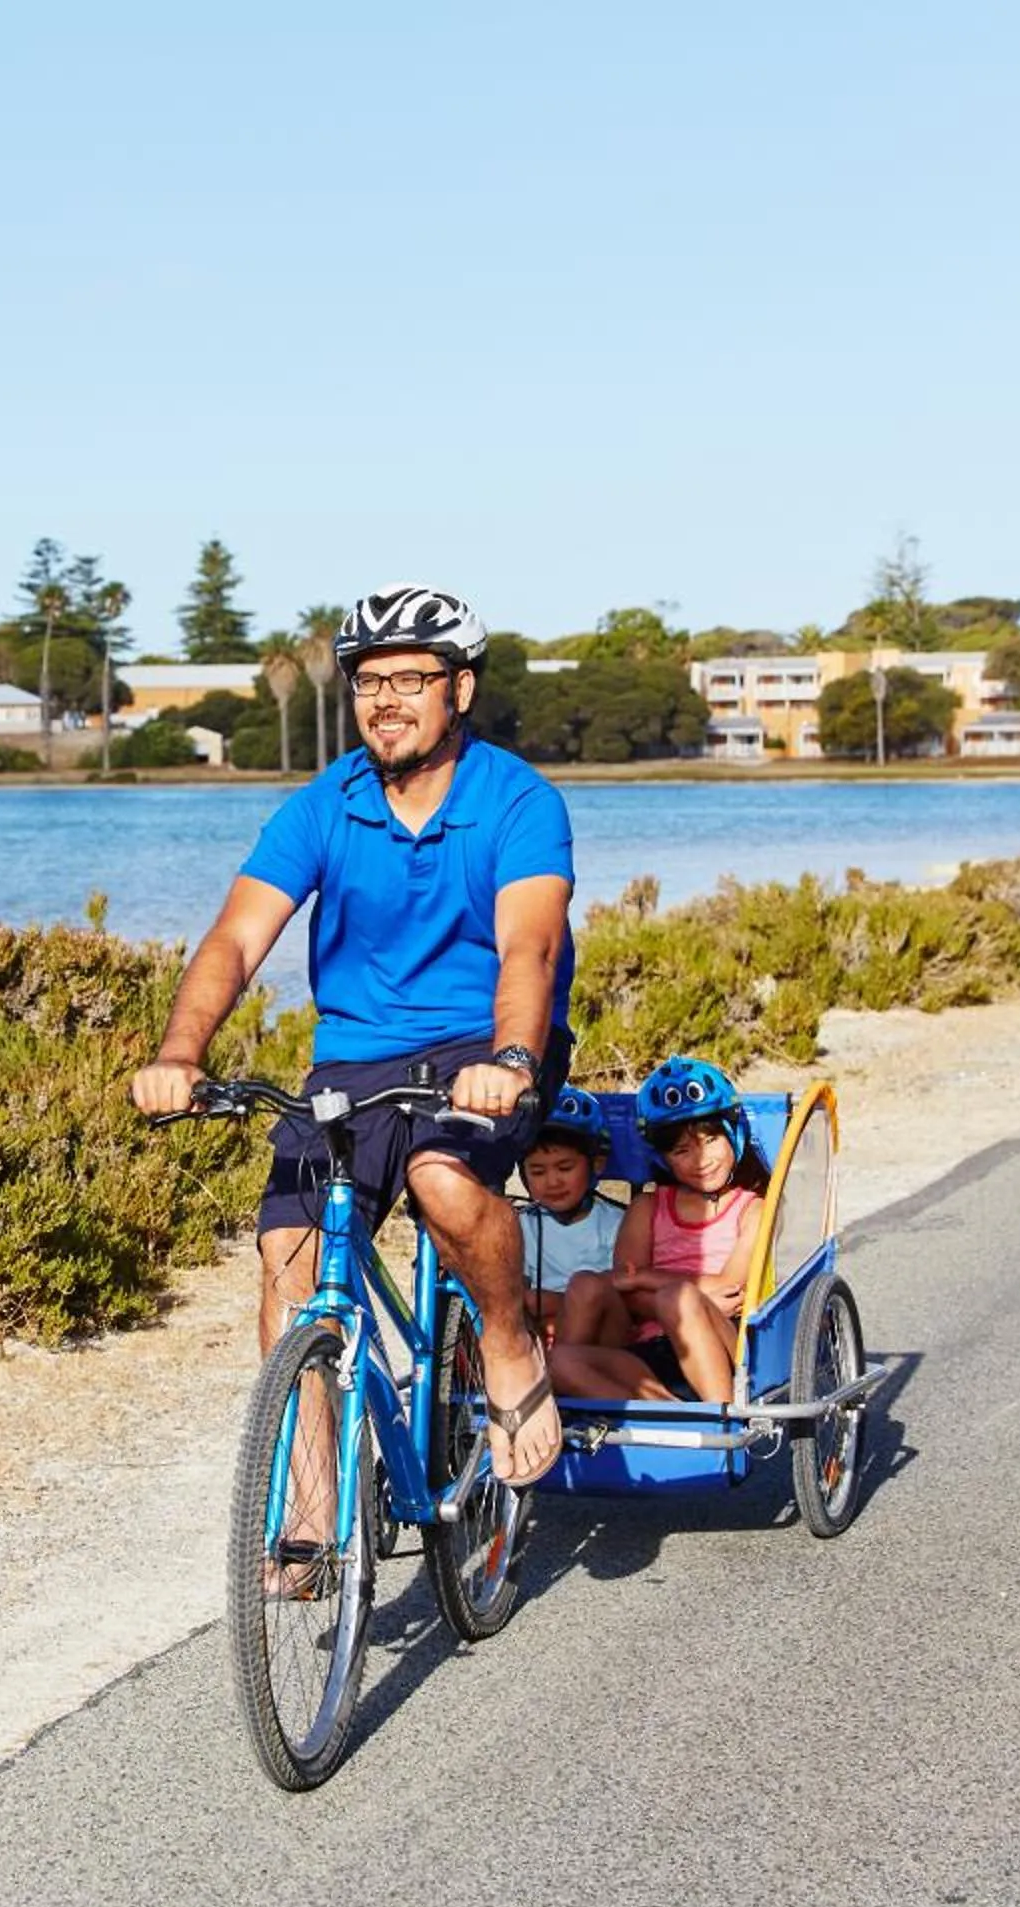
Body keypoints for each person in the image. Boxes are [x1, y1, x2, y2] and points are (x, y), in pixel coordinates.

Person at [129, 583, 576, 1486]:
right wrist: (180, 1053)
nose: (386, 700)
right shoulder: (323, 804)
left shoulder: (517, 800)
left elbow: (529, 948)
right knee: (289, 1255)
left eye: (412, 678)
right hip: (356, 1059)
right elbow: (237, 937)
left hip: (482, 1046)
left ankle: (507, 1338)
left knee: (442, 1179)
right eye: (369, 681)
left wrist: (513, 1061)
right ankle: (307, 1505)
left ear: (461, 690)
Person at [552, 1058, 767, 1405]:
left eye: (711, 1140)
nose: (701, 1159)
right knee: (568, 1333)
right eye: (682, 1150)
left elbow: (730, 1290)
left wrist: (650, 1281)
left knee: (676, 1297)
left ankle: (722, 1424)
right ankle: (666, 1416)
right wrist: (675, 1295)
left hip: (721, 1345)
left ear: (732, 1135)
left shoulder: (750, 1209)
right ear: (664, 1158)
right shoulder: (649, 1207)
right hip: (647, 1349)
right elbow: (624, 1288)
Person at [517, 1086, 624, 1343]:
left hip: (608, 1333)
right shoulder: (522, 1225)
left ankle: (561, 1369)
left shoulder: (617, 1223)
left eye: (565, 1167)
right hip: (545, 1331)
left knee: (587, 1291)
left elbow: (625, 1293)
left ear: (596, 1164)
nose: (552, 1182)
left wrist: (562, 1308)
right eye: (538, 1172)